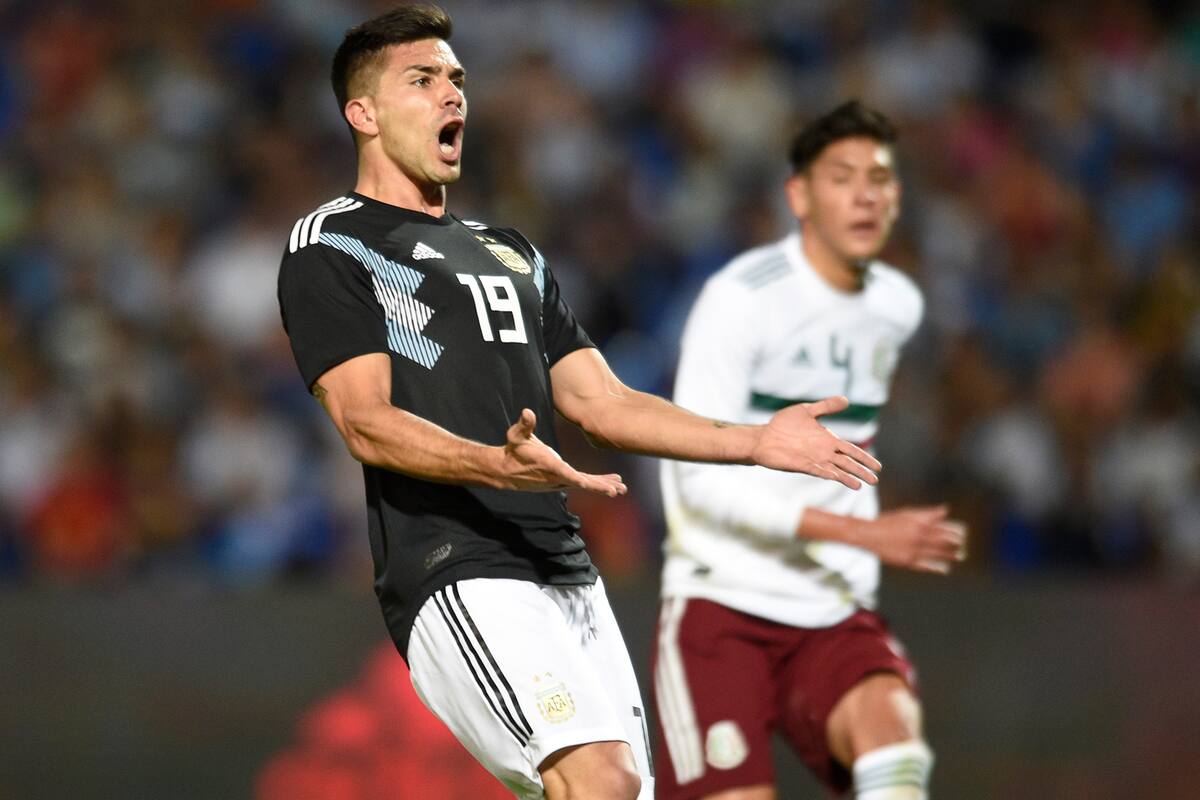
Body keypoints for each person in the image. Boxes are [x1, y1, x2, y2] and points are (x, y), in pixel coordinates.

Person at [275, 7, 882, 800]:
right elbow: (365, 421)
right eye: (420, 81)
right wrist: (492, 462)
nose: (451, 95)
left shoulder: (511, 252)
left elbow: (601, 402)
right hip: (455, 564)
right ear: (363, 112)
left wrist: (755, 440)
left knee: (619, 792)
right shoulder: (333, 243)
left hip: (564, 569)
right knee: (599, 780)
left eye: (456, 78)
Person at [653, 101, 968, 800]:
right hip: (723, 603)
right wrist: (862, 531)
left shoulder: (898, 305)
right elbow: (697, 484)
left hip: (833, 603)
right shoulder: (738, 302)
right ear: (798, 194)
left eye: (881, 179)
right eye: (842, 177)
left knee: (896, 747)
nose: (865, 195)